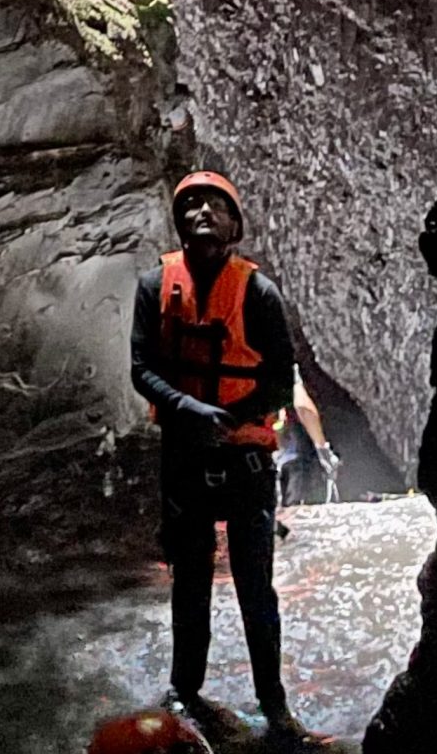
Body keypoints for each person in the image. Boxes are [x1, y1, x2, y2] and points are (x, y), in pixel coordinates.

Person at [129, 172, 325, 747]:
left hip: (245, 461)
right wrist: (193, 411)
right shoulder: (153, 285)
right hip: (186, 456)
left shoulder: (259, 293)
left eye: (215, 205)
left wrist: (233, 422)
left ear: (235, 226)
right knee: (188, 582)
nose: (202, 212)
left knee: (253, 586)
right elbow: (142, 369)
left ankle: (274, 704)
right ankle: (185, 692)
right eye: (190, 204)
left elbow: (278, 379)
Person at [274, 367, 339, 523]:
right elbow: (303, 408)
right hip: (302, 461)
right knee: (305, 519)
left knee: (284, 521)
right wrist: (323, 448)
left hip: (279, 461)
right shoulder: (291, 369)